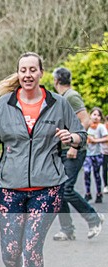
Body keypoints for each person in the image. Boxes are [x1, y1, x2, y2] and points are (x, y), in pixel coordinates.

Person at [0, 52, 88, 267]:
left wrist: (71, 137)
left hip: (47, 187)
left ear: (41, 73)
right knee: (10, 250)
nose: (27, 74)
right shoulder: (4, 105)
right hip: (9, 189)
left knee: (32, 247)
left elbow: (81, 136)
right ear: (18, 73)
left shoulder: (58, 104)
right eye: (23, 70)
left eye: (32, 70)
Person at [50, 67, 103, 240]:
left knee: (66, 189)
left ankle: (94, 219)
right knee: (59, 190)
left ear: (56, 81)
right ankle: (67, 229)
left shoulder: (71, 96)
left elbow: (85, 121)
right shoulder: (63, 98)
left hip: (74, 151)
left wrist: (73, 146)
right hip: (63, 151)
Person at [84, 107, 107, 203]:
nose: (96, 117)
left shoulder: (101, 127)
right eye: (94, 114)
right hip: (87, 154)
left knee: (97, 174)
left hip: (97, 154)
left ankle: (99, 194)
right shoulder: (87, 126)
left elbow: (106, 138)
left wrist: (96, 141)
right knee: (86, 172)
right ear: (90, 115)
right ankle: (88, 193)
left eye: (98, 115)